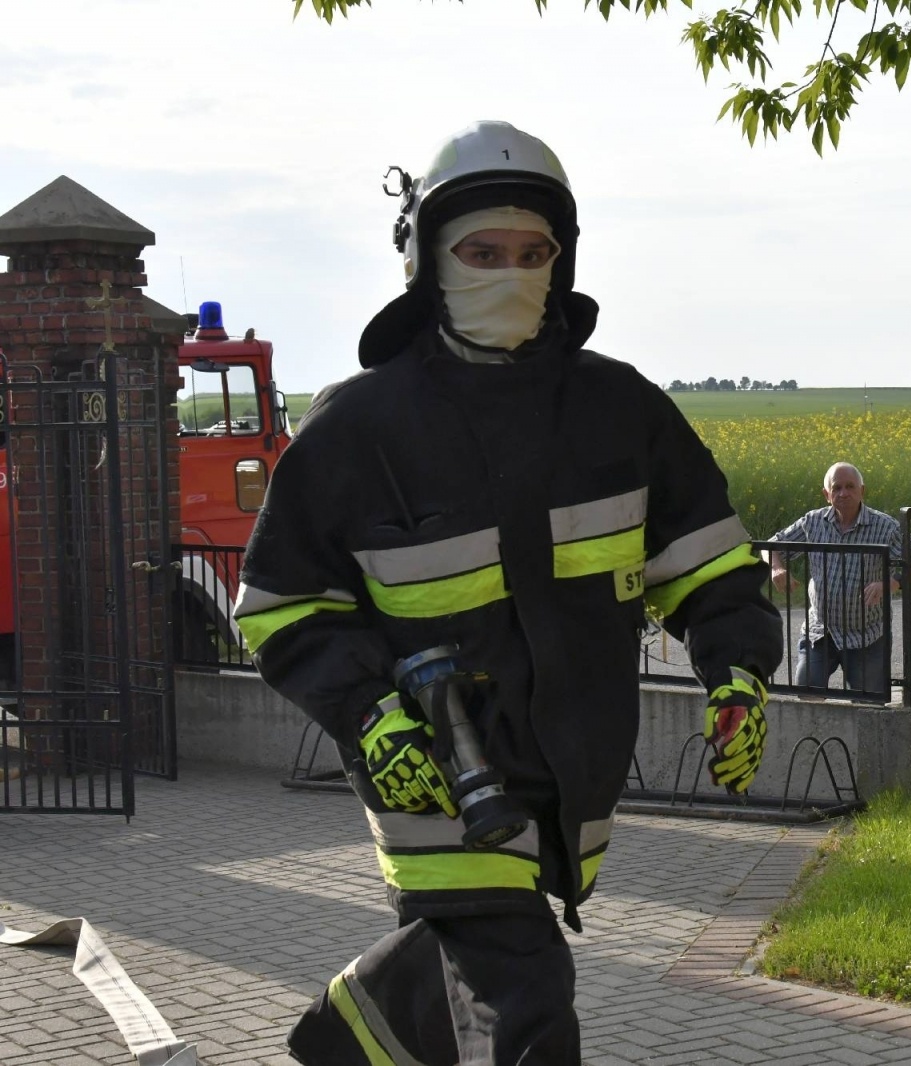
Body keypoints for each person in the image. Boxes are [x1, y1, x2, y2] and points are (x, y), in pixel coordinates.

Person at [232, 120, 783, 1066]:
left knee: (467, 989)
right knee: (527, 1002)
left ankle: (362, 1028)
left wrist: (738, 674)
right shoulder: (360, 427)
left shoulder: (624, 411)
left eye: (534, 254)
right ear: (427, 263)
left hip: (573, 774)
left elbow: (708, 565)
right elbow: (281, 606)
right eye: (482, 253)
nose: (510, 274)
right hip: (433, 771)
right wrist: (369, 718)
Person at [766, 462, 911, 695]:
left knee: (868, 707)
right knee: (807, 696)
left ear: (862, 491)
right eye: (836, 488)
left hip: (867, 635)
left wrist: (891, 583)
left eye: (850, 486)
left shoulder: (885, 527)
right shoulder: (813, 522)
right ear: (826, 495)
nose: (844, 493)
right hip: (820, 632)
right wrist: (776, 568)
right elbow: (771, 545)